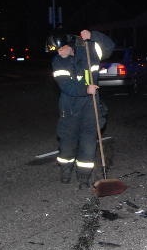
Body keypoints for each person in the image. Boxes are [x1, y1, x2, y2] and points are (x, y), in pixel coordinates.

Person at [47, 28, 115, 188]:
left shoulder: (90, 49)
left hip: (91, 107)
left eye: (61, 47)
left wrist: (93, 36)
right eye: (57, 49)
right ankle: (65, 171)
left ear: (69, 44)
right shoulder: (58, 61)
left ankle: (83, 178)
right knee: (67, 144)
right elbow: (66, 86)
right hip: (69, 109)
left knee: (88, 144)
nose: (59, 51)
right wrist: (85, 89)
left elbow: (110, 46)